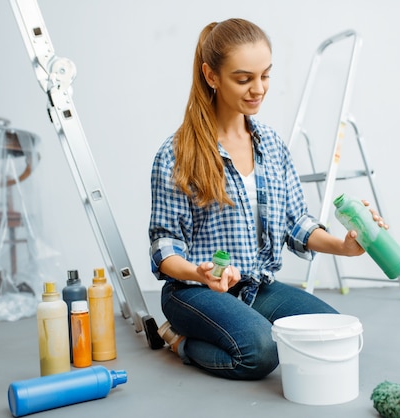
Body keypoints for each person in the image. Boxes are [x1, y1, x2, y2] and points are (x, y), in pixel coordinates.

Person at [148, 18, 386, 380]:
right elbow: (164, 249)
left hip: (256, 287)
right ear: (211, 76)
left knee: (331, 332)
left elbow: (296, 224)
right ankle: (179, 340)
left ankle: (239, 323)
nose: (258, 89)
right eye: (243, 79)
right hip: (192, 293)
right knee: (261, 353)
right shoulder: (177, 154)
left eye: (266, 75)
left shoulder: (272, 146)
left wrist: (346, 246)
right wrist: (198, 272)